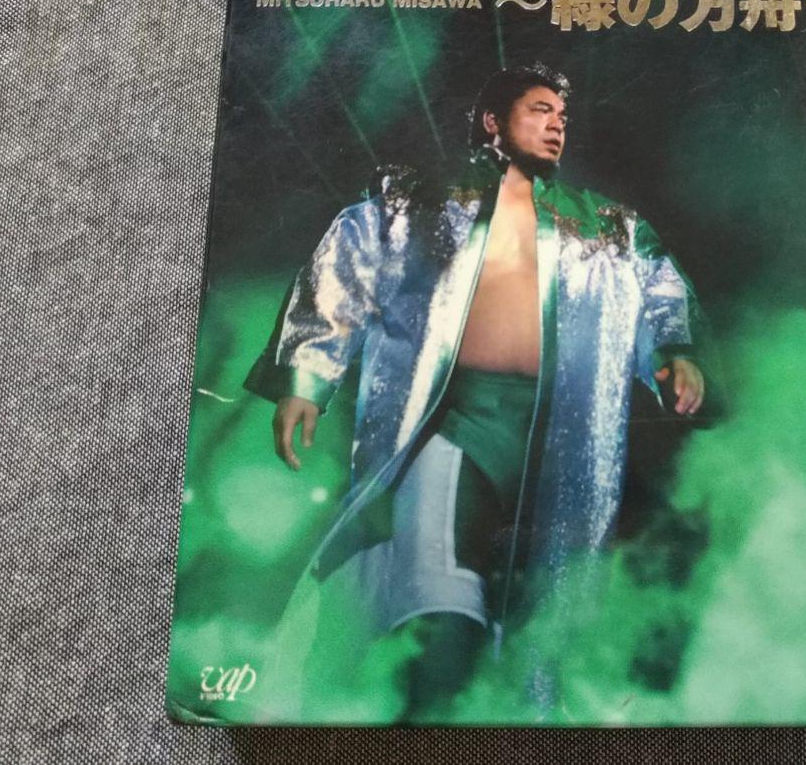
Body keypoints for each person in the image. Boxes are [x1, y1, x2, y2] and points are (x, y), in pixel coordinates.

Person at [245, 61, 716, 716]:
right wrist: (308, 376)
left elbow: (657, 286)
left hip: (562, 437)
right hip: (456, 418)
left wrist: (673, 353)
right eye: (540, 111)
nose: (556, 126)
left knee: (543, 608)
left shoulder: (605, 223)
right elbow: (345, 268)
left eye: (562, 116)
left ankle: (494, 721)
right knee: (437, 584)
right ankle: (421, 716)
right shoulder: (420, 201)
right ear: (494, 121)